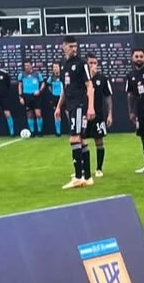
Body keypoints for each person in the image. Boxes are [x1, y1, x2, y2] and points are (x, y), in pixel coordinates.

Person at [54, 36, 95, 188]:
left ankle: (78, 177)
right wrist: (59, 107)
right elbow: (65, 89)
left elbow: (90, 86)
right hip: (70, 105)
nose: (73, 49)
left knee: (74, 138)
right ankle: (88, 176)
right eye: (70, 46)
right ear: (63, 47)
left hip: (79, 105)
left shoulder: (81, 63)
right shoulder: (63, 64)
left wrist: (90, 107)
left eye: (75, 46)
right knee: (82, 139)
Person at [85, 54, 114, 177]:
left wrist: (110, 114)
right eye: (90, 63)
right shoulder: (81, 78)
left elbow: (108, 96)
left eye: (95, 63)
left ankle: (99, 168)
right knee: (81, 141)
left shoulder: (102, 78)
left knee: (99, 141)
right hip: (83, 114)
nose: (93, 65)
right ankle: (82, 169)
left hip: (98, 114)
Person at [18, 62, 44, 136]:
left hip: (36, 96)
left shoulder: (37, 74)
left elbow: (43, 83)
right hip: (26, 96)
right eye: (25, 65)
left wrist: (39, 90)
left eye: (28, 65)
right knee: (29, 114)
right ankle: (32, 132)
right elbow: (19, 85)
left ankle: (39, 131)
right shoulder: (22, 75)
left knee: (38, 114)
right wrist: (20, 97)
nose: (26, 67)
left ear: (31, 65)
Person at [46, 62, 64, 136]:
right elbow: (48, 86)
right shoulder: (51, 78)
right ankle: (58, 132)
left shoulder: (63, 76)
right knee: (57, 114)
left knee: (68, 113)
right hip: (55, 97)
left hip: (64, 97)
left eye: (57, 67)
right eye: (54, 67)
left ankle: (72, 131)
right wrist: (53, 93)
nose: (56, 69)